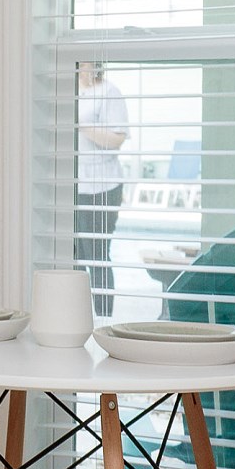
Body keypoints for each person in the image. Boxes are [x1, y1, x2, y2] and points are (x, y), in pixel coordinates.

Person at [74, 60, 129, 318]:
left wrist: (81, 126)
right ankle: (75, 319)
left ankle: (104, 321)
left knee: (96, 255)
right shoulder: (71, 92)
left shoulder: (109, 92)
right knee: (74, 257)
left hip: (102, 186)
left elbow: (117, 139)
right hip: (72, 185)